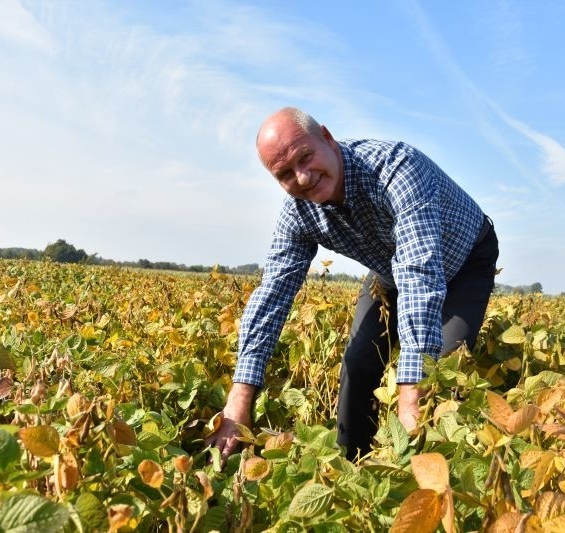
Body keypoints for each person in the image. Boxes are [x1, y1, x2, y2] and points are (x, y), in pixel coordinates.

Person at [207, 107, 499, 461]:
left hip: (466, 259)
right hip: (390, 268)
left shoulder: (396, 168)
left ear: (327, 138)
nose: (302, 178)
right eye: (284, 174)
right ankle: (351, 467)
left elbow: (419, 275)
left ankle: (433, 476)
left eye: (305, 157)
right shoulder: (298, 213)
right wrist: (239, 399)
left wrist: (411, 392)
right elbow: (272, 295)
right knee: (359, 362)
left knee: (443, 374)